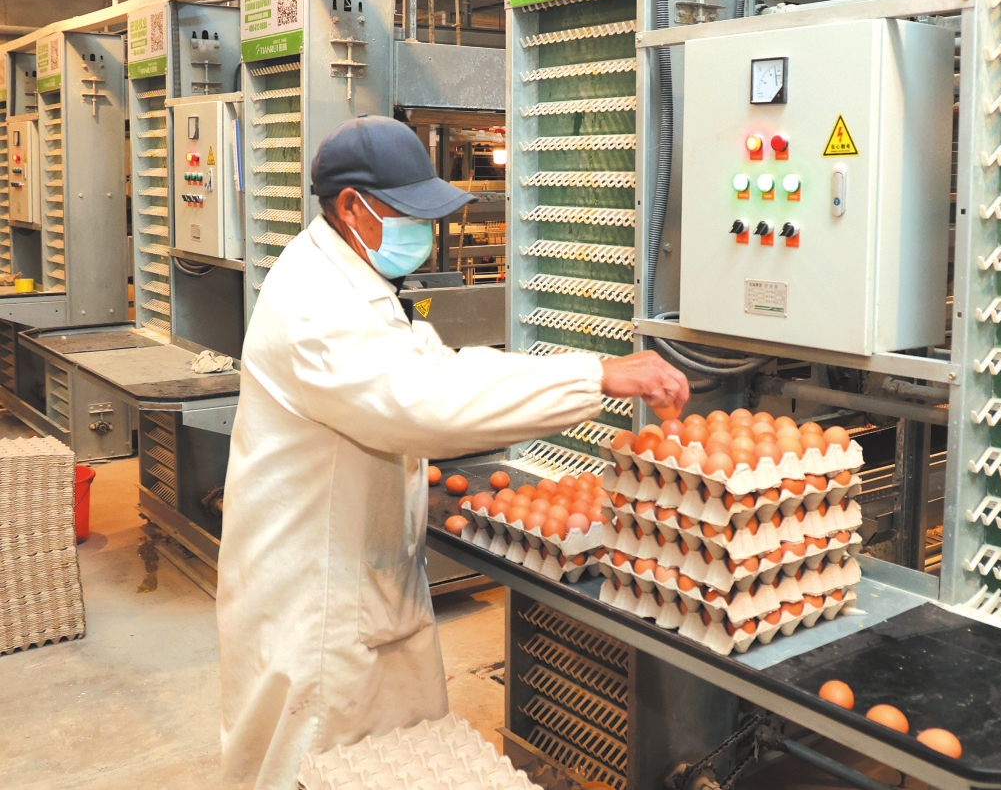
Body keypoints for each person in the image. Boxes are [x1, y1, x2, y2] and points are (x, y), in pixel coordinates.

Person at [216, 116, 688, 789]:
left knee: (381, 766)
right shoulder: (316, 307)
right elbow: (425, 400)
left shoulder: (347, 274)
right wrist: (596, 376)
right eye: (408, 214)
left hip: (352, 576)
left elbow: (433, 366)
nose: (423, 232)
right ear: (352, 206)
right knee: (313, 768)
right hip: (318, 605)